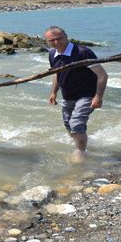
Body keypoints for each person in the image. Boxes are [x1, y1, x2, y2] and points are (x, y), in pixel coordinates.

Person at [44, 26, 108, 162]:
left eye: (59, 39)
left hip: (87, 94)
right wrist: (53, 92)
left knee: (76, 123)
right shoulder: (52, 54)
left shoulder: (83, 52)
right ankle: (80, 142)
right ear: (48, 42)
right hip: (68, 95)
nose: (56, 42)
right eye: (52, 40)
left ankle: (80, 152)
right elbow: (57, 73)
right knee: (68, 124)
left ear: (66, 36)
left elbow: (102, 75)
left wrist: (98, 97)